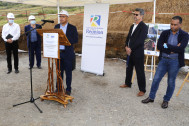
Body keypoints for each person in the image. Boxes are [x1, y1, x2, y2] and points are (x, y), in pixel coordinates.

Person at [142, 16, 189, 109]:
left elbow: (181, 48)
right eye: (171, 24)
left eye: (175, 25)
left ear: (180, 24)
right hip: (163, 60)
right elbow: (159, 46)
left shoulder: (184, 35)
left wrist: (167, 46)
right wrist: (172, 48)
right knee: (156, 79)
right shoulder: (165, 33)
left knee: (171, 82)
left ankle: (166, 100)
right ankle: (151, 97)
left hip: (175, 62)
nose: (173, 26)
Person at [120, 8, 148, 96]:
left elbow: (140, 41)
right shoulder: (132, 26)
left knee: (139, 71)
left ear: (142, 16)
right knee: (129, 68)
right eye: (134, 14)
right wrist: (126, 46)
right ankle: (128, 83)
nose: (134, 16)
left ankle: (142, 90)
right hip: (129, 51)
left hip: (137, 52)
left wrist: (130, 48)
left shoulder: (144, 27)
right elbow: (128, 37)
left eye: (137, 14)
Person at [54, 10, 78, 95]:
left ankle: (68, 89)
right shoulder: (56, 26)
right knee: (59, 72)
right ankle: (58, 87)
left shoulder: (72, 28)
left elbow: (76, 39)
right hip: (58, 53)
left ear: (67, 17)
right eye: (60, 16)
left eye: (63, 16)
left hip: (68, 53)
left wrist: (65, 40)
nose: (61, 18)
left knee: (68, 72)